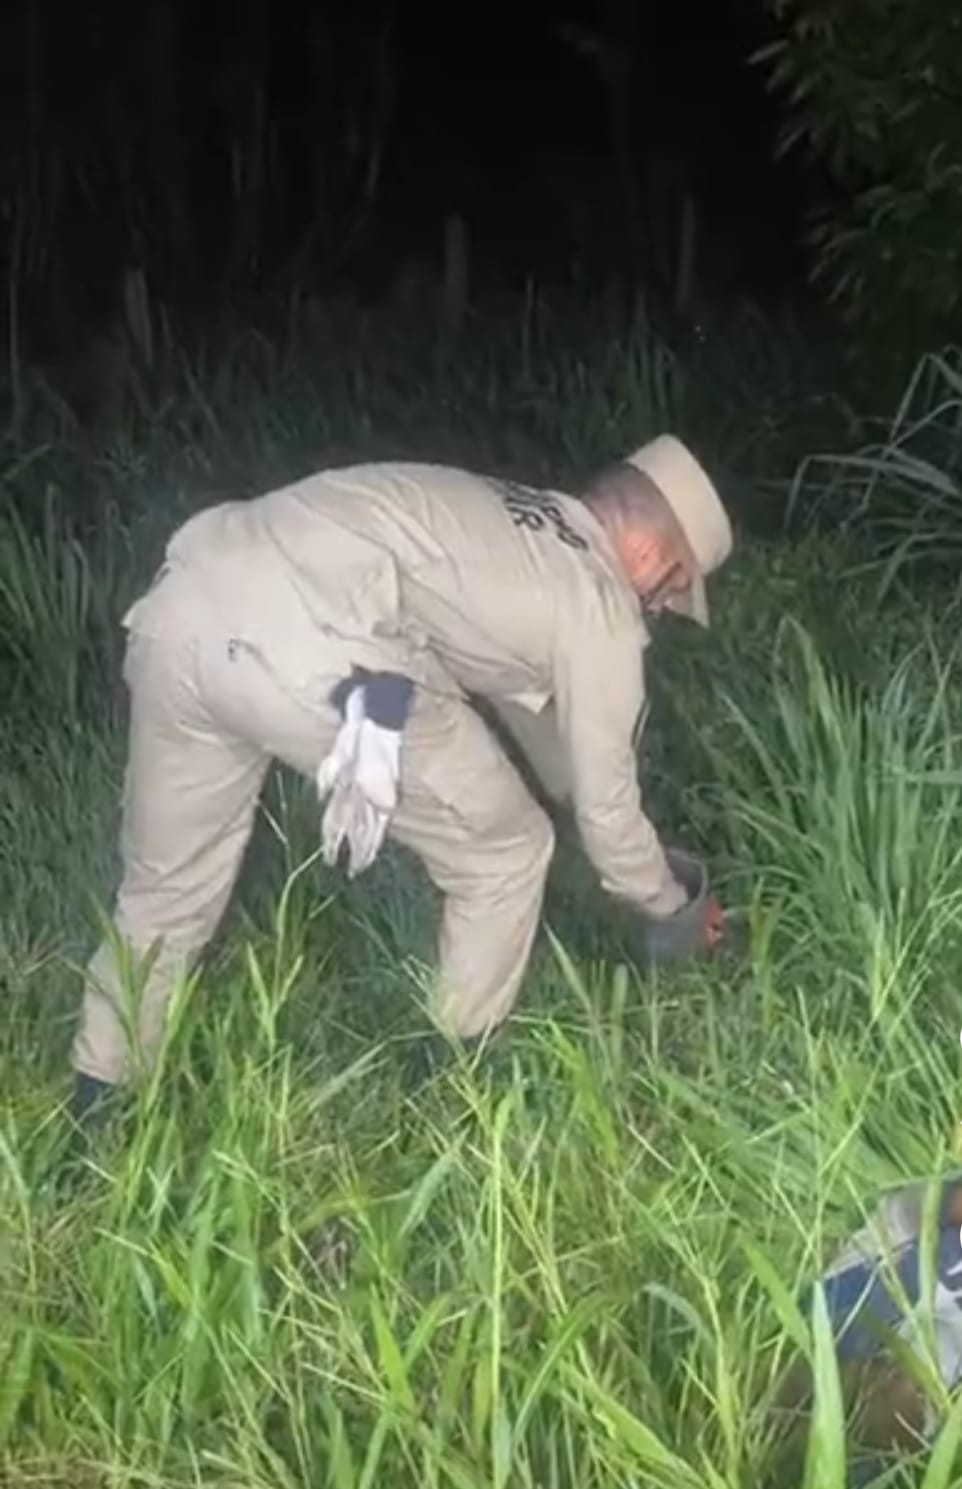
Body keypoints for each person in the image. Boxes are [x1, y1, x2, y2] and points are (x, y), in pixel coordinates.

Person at [69, 434, 733, 1125]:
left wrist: (570, 798)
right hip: (322, 650)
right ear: (654, 556)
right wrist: (672, 904)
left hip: (184, 603)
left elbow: (529, 709)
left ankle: (97, 1111)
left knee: (163, 895)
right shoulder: (599, 603)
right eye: (673, 589)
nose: (659, 609)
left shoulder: (516, 519)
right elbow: (608, 812)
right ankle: (454, 1088)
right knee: (506, 850)